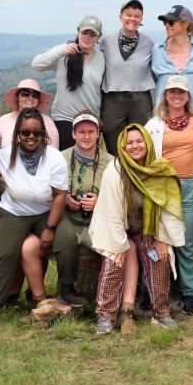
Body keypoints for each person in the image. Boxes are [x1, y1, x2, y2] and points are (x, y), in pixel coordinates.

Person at [0, 108, 68, 331]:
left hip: (45, 213)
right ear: (18, 133)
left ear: (43, 135)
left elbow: (59, 196)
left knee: (64, 243)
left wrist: (49, 227)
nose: (31, 137)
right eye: (25, 132)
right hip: (13, 212)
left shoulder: (54, 157)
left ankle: (64, 295)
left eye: (36, 133)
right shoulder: (7, 155)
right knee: (4, 253)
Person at [90, 124, 184, 334]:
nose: (135, 146)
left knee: (159, 257)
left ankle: (161, 312)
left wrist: (163, 239)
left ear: (148, 143)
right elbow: (111, 211)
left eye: (139, 141)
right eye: (129, 143)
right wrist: (118, 244)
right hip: (118, 227)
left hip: (149, 229)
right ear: (122, 147)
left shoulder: (160, 169)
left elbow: (167, 209)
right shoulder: (115, 170)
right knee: (115, 259)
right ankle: (105, 315)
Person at [145, 75, 193, 315]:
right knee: (158, 239)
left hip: (191, 186)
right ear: (165, 95)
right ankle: (151, 291)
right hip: (163, 187)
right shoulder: (154, 124)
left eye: (181, 92)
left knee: (187, 241)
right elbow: (146, 157)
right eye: (172, 91)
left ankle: (189, 293)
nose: (176, 95)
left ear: (188, 96)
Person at [49, 111, 113, 308]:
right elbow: (49, 190)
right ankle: (66, 289)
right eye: (82, 132)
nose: (86, 136)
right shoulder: (60, 158)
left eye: (91, 132)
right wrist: (66, 198)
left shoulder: (111, 162)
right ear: (73, 134)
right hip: (70, 216)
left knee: (115, 242)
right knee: (64, 239)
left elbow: (117, 196)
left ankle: (111, 290)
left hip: (100, 217)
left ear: (98, 134)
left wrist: (99, 201)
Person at [32, 15, 105, 151]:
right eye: (84, 33)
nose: (88, 37)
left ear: (98, 38)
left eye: (92, 34)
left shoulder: (101, 57)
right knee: (64, 163)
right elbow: (36, 64)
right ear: (78, 32)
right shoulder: (64, 52)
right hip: (64, 118)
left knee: (88, 164)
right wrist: (62, 51)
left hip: (90, 119)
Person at [99, 0, 156, 154]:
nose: (132, 19)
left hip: (140, 99)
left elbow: (157, 68)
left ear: (141, 19)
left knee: (141, 140)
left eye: (137, 16)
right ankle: (116, 174)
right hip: (113, 98)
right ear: (120, 17)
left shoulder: (148, 42)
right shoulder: (107, 41)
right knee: (113, 141)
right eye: (128, 15)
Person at [152, 5, 193, 112]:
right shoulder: (157, 50)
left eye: (171, 22)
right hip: (164, 118)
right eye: (165, 22)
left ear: (184, 23)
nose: (167, 25)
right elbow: (148, 82)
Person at [0, 79, 59, 148]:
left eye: (35, 95)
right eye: (25, 93)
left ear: (38, 100)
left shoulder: (47, 122)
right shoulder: (3, 121)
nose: (30, 98)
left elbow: (53, 151)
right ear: (17, 97)